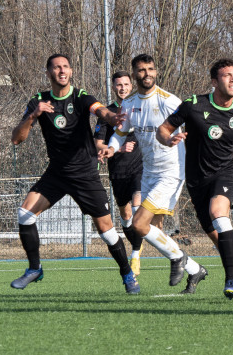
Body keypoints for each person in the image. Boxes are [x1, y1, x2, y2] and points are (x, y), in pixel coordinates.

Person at [10, 54, 140, 294]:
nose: (62, 71)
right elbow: (16, 139)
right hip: (57, 174)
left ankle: (127, 273)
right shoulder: (38, 101)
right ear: (48, 72)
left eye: (66, 67)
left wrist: (113, 117)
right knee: (25, 214)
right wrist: (33, 115)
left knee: (107, 231)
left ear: (71, 71)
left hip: (84, 174)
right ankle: (34, 268)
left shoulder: (80, 97)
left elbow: (99, 110)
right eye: (57, 67)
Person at [156, 58, 233, 300]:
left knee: (219, 211)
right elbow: (163, 129)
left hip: (226, 174)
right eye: (226, 75)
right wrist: (168, 140)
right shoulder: (193, 104)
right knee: (223, 243)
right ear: (213, 81)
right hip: (197, 181)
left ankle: (231, 280)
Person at [99, 54, 207, 294]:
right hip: (148, 171)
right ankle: (193, 267)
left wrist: (184, 141)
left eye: (150, 69)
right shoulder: (129, 104)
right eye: (141, 70)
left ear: (156, 72)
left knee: (138, 223)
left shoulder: (169, 101)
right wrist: (111, 147)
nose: (146, 74)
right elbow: (120, 133)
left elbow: (194, 124)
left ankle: (178, 258)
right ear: (134, 73)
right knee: (143, 229)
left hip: (171, 171)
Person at [94, 71, 145, 275]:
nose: (122, 88)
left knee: (137, 206)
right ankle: (134, 245)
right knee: (126, 217)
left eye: (125, 84)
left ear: (131, 85)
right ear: (114, 87)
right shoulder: (108, 114)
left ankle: (135, 255)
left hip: (140, 169)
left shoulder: (141, 108)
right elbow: (98, 143)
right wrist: (118, 149)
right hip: (118, 172)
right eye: (118, 85)